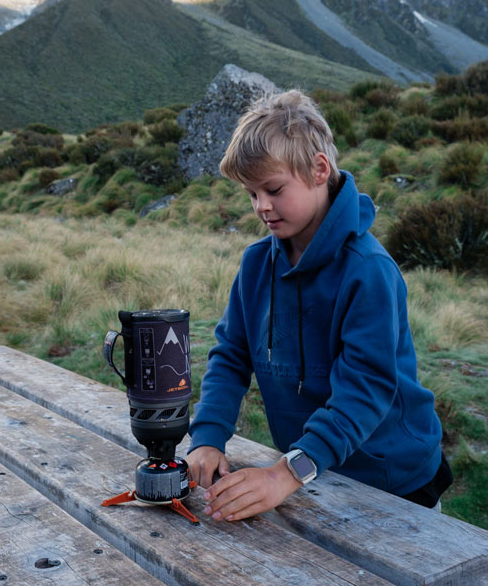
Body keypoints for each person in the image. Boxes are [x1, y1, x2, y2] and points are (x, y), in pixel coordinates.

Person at [186, 89, 452, 522]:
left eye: (272, 189)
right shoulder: (256, 265)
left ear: (318, 170)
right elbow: (231, 357)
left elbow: (365, 389)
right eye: (251, 194)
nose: (262, 207)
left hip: (395, 484)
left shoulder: (369, 271)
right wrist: (208, 437)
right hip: (311, 474)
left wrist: (285, 474)